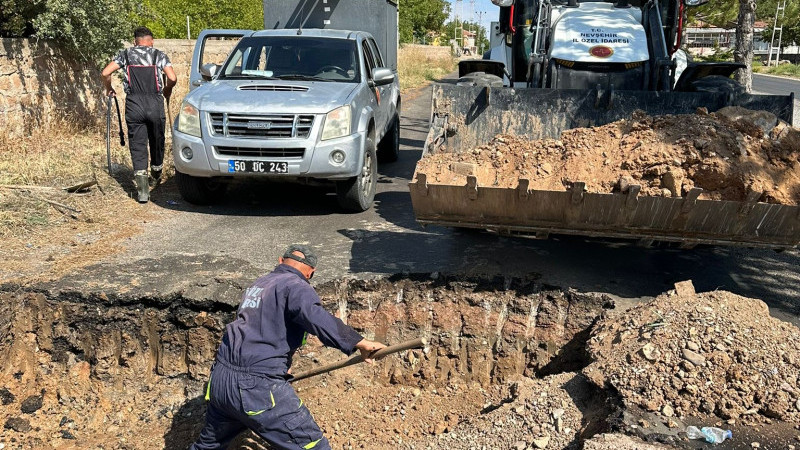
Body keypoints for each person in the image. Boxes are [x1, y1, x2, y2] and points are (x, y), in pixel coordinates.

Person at [190, 244, 386, 450]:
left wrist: (282, 365)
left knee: (208, 446)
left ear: (280, 261)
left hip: (221, 380)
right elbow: (317, 318)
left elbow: (258, 329)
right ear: (311, 272)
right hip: (255, 386)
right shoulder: (296, 286)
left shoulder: (258, 285)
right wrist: (359, 342)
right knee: (313, 446)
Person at [101, 26, 177, 203]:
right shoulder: (159, 55)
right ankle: (157, 171)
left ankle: (142, 191)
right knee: (157, 138)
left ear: (135, 41)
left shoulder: (125, 55)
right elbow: (172, 78)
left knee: (137, 143)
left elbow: (105, 72)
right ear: (151, 40)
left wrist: (109, 88)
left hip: (134, 103)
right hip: (155, 102)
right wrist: (167, 90)